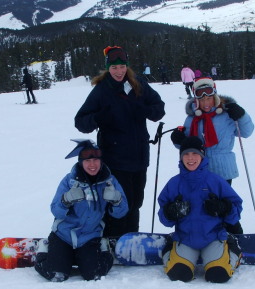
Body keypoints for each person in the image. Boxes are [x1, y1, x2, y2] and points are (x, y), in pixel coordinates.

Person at [74, 46, 165, 237]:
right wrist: (99, 117)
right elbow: (81, 122)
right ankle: (113, 240)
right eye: (114, 67)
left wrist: (144, 109)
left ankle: (131, 240)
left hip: (139, 157)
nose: (119, 71)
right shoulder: (102, 90)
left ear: (127, 66)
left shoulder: (137, 84)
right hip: (115, 158)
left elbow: (159, 108)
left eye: (122, 66)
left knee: (136, 202)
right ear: (108, 68)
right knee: (118, 202)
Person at [34, 139, 128, 282]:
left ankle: (103, 249)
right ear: (80, 162)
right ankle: (44, 250)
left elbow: (122, 212)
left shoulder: (109, 181)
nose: (92, 165)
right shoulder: (69, 181)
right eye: (87, 161)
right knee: (56, 275)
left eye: (96, 160)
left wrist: (117, 200)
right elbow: (55, 210)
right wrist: (66, 200)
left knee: (94, 275)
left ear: (101, 161)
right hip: (63, 235)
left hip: (89, 237)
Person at [170, 76, 254, 234]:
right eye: (202, 99)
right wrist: (178, 140)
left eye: (209, 98)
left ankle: (236, 236)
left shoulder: (227, 115)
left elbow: (247, 132)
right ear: (196, 100)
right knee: (202, 206)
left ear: (215, 97)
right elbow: (189, 146)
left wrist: (242, 115)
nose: (206, 103)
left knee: (224, 205)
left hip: (222, 169)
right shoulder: (192, 119)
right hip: (198, 171)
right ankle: (208, 237)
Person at [158, 136, 243, 283]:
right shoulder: (174, 183)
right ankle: (168, 248)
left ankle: (233, 250)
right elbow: (163, 217)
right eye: (186, 154)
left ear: (202, 155)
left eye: (195, 153)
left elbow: (236, 209)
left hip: (213, 238)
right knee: (178, 275)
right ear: (181, 157)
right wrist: (170, 212)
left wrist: (224, 208)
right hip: (185, 239)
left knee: (219, 275)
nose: (190, 158)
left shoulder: (215, 181)